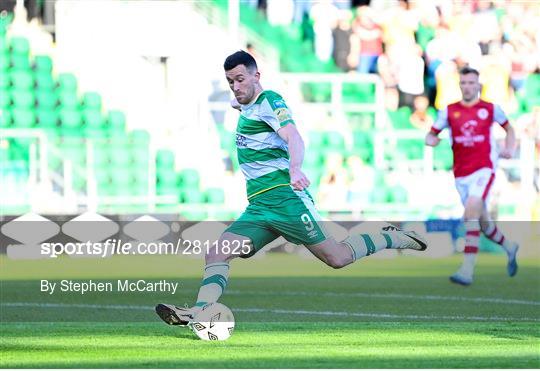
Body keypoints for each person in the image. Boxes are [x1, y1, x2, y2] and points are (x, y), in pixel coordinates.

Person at [155, 50, 427, 326]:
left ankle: (389, 237)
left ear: (256, 76)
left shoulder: (270, 101)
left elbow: (293, 136)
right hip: (260, 207)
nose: (236, 87)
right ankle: (199, 312)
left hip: (287, 200)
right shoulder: (249, 106)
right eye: (230, 82)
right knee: (217, 251)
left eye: (240, 79)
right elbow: (247, 106)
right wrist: (240, 103)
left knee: (337, 258)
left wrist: (295, 168)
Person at [425, 66, 519, 286]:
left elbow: (510, 129)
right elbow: (431, 134)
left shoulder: (490, 109)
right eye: (464, 83)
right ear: (460, 86)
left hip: (484, 168)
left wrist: (510, 148)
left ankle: (466, 270)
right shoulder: (449, 111)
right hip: (461, 173)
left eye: (471, 83)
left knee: (470, 213)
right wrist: (431, 140)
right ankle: (510, 247)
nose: (468, 87)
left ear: (478, 85)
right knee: (484, 224)